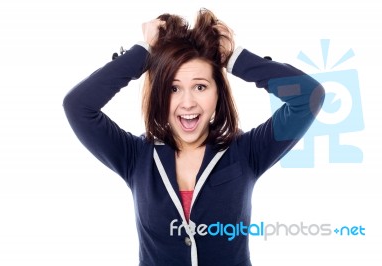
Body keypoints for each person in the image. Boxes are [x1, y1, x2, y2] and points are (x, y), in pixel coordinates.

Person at [63, 8, 324, 266]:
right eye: (173, 88)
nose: (187, 102)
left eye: (200, 87)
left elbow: (308, 97)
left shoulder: (246, 152)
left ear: (218, 93)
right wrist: (142, 53)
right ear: (159, 95)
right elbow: (78, 106)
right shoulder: (135, 156)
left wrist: (234, 58)